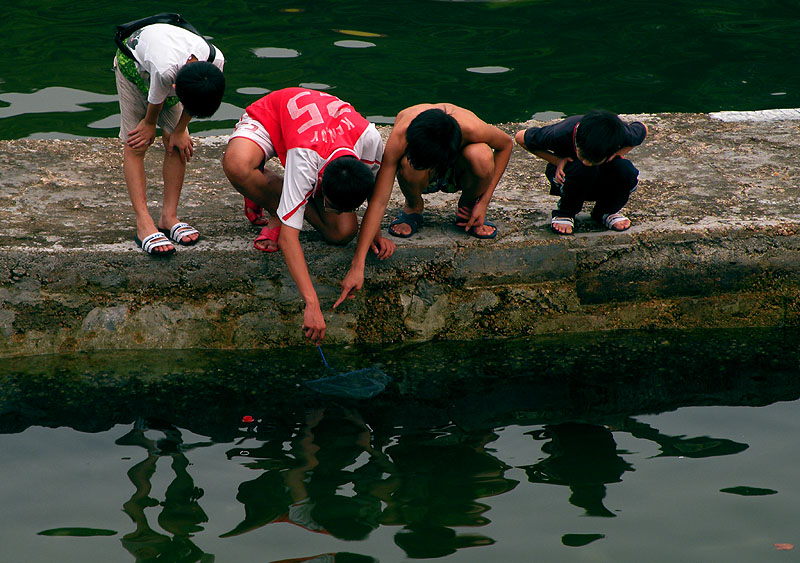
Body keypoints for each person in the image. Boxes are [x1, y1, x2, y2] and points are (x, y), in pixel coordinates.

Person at [222, 87, 394, 344]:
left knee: (342, 232)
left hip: (316, 139)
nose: (334, 211)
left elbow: (376, 199)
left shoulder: (370, 140)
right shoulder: (304, 160)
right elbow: (288, 240)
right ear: (321, 180)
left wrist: (369, 244)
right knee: (237, 165)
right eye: (332, 205)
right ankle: (270, 198)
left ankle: (286, 201)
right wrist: (311, 303)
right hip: (275, 119)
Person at [332, 104, 512, 308]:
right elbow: (379, 201)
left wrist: (484, 202)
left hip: (459, 166)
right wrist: (358, 264)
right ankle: (414, 207)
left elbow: (506, 145)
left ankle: (468, 206)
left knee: (482, 155)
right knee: (409, 166)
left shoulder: (470, 128)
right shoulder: (402, 136)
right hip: (421, 175)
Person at [114, 21, 226, 255]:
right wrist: (149, 124)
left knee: (178, 144)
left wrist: (180, 129)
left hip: (171, 69)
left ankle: (168, 217)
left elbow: (198, 100)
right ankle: (144, 223)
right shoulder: (165, 69)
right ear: (175, 86)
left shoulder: (215, 62)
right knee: (137, 143)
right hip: (134, 65)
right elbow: (155, 102)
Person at [514, 110, 647, 235]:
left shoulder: (621, 133)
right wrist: (557, 160)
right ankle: (566, 211)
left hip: (603, 171)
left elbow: (643, 129)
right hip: (570, 172)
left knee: (626, 169)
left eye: (592, 160)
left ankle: (606, 210)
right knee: (584, 168)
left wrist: (617, 154)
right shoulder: (560, 133)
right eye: (583, 156)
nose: (586, 161)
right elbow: (520, 137)